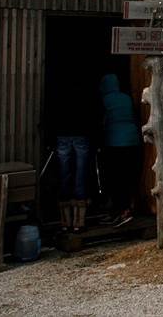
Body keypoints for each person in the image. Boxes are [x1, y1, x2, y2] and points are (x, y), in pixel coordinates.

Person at [53, 74, 101, 233]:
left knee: (64, 174)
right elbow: (93, 114)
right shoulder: (85, 91)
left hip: (63, 134)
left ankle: (65, 220)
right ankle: (78, 221)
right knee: (81, 174)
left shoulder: (58, 91)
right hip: (80, 134)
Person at [99, 73, 141, 226]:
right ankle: (128, 209)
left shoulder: (105, 100)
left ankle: (118, 211)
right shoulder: (126, 98)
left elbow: (103, 121)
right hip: (132, 140)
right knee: (128, 176)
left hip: (114, 142)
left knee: (115, 178)